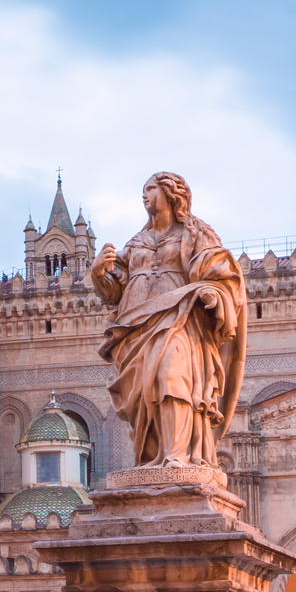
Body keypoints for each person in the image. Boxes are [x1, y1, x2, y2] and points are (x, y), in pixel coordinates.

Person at [90, 171, 246, 468]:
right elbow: (114, 292)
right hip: (134, 327)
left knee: (171, 375)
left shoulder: (195, 233)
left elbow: (224, 273)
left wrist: (212, 293)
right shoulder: (137, 242)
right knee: (142, 395)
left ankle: (177, 456)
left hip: (179, 318)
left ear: (171, 194)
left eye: (151, 189)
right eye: (144, 190)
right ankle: (152, 457)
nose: (145, 195)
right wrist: (98, 272)